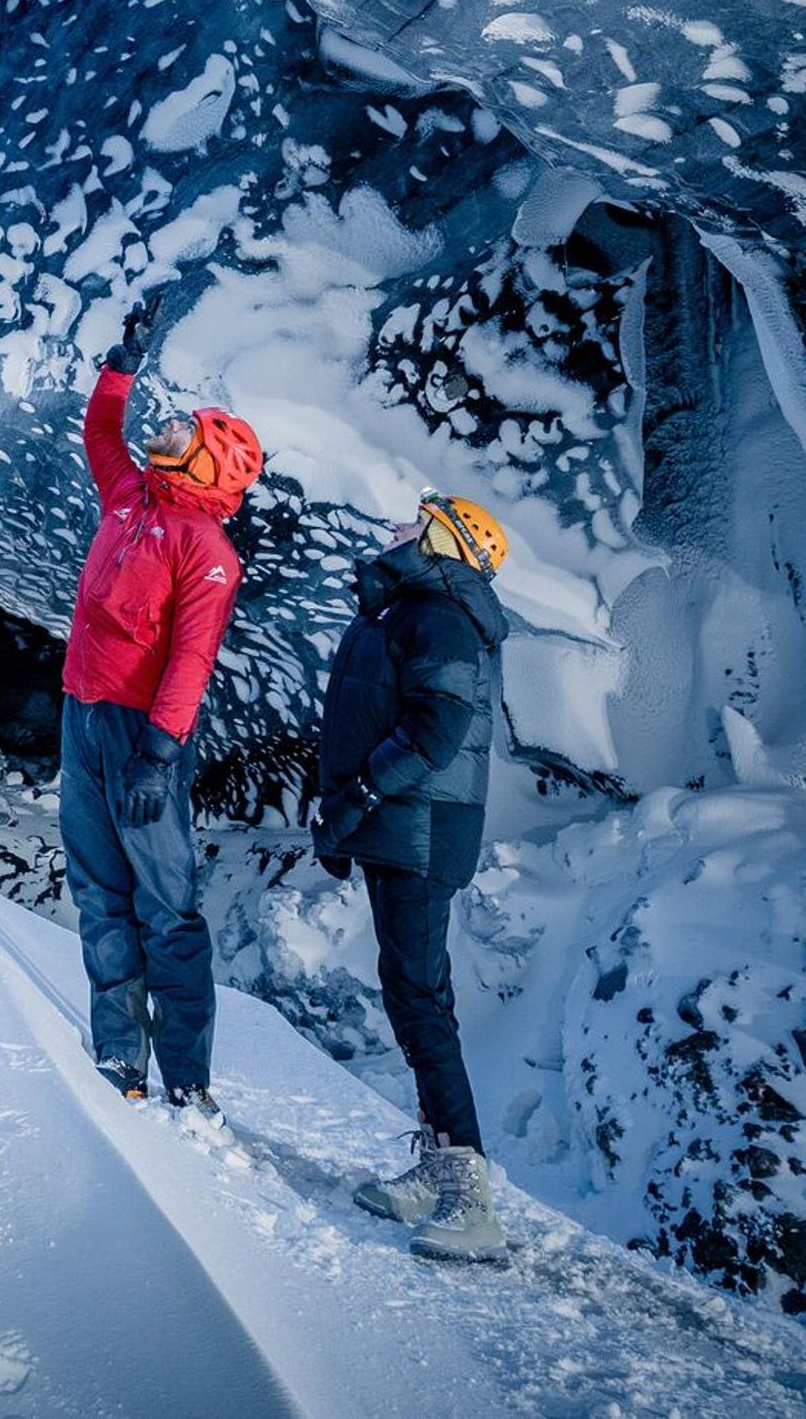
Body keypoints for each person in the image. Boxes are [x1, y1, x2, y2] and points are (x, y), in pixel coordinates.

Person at [59, 322, 261, 1113]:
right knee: (98, 889)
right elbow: (100, 431)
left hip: (146, 739)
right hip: (84, 716)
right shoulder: (130, 494)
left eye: (191, 430)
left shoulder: (207, 549)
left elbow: (192, 655)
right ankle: (119, 1055)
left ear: (208, 463)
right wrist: (120, 367)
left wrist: (160, 750)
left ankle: (187, 1076)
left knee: (166, 909)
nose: (173, 427)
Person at [312, 493, 515, 1263]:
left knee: (422, 1000)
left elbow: (438, 726)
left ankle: (470, 1196)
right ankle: (438, 1169)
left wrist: (364, 792)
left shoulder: (440, 615)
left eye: (418, 518)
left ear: (446, 541)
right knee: (411, 990)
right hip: (404, 829)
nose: (400, 524)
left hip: (418, 832)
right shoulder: (413, 609)